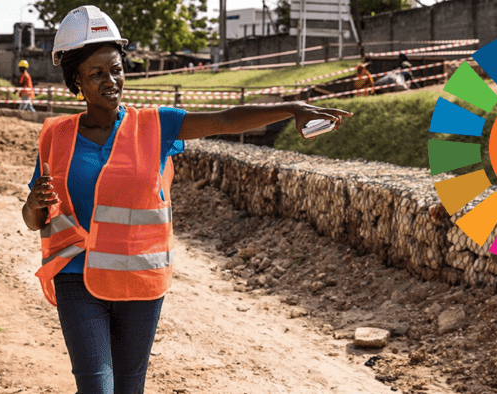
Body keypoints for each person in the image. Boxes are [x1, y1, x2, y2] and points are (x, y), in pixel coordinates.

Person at [21, 6, 351, 394]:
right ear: (75, 79)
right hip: (77, 278)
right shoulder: (55, 136)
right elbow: (35, 218)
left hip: (140, 282)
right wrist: (33, 203)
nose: (111, 81)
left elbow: (226, 120)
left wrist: (291, 108)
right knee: (96, 388)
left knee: (130, 388)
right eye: (97, 73)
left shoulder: (154, 126)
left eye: (117, 69)